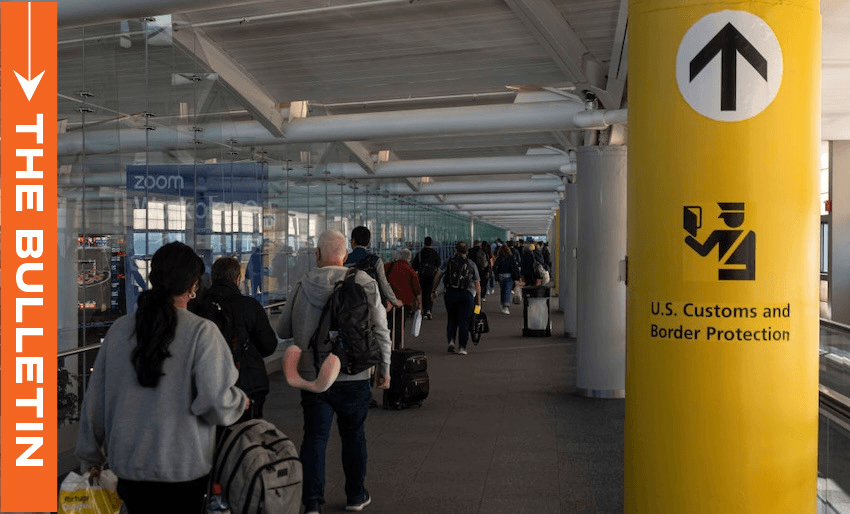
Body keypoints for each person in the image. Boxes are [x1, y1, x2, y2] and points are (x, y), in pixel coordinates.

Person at [76, 241, 249, 513]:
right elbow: (215, 404)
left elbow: (95, 400)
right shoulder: (202, 332)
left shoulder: (120, 330)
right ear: (194, 286)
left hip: (128, 468)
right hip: (183, 470)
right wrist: (239, 401)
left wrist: (90, 456)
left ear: (152, 278)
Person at [276, 229, 392, 514]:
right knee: (354, 434)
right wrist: (385, 368)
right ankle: (355, 495)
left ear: (317, 255)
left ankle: (313, 502)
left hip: (313, 375)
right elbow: (380, 330)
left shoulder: (303, 284)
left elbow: (283, 330)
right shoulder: (364, 282)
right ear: (345, 256)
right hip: (354, 373)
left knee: (315, 436)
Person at [190, 256, 279, 421]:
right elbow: (269, 346)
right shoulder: (249, 306)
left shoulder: (198, 306)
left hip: (208, 384)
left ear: (211, 278)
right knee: (248, 436)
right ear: (238, 279)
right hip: (248, 384)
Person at [431, 241, 481, 356]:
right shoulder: (471, 263)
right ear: (467, 251)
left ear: (455, 250)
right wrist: (478, 303)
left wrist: (433, 290)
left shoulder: (448, 262)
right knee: (464, 320)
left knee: (452, 318)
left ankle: (451, 341)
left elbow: (438, 275)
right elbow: (477, 285)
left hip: (450, 294)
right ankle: (462, 347)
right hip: (467, 295)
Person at [345, 225, 402, 312]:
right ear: (368, 242)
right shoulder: (375, 260)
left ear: (353, 241)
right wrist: (395, 301)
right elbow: (383, 284)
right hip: (371, 304)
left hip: (349, 303)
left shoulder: (345, 260)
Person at [384, 248, 422, 347]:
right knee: (399, 325)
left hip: (389, 302)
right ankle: (397, 345)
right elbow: (416, 289)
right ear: (409, 258)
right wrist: (419, 304)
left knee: (389, 324)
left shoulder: (390, 265)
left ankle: (388, 344)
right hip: (405, 303)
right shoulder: (410, 270)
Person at [410, 236, 441, 320]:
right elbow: (438, 264)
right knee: (430, 292)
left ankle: (423, 311)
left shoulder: (420, 254)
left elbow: (414, 265)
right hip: (431, 276)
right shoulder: (434, 253)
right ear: (431, 243)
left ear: (424, 243)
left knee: (423, 293)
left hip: (422, 275)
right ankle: (428, 310)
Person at [492, 243, 520, 314]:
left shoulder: (499, 258)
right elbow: (515, 267)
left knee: (503, 291)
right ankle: (506, 306)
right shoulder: (511, 257)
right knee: (507, 291)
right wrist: (517, 276)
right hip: (509, 276)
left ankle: (502, 304)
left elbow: (494, 267)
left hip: (501, 276)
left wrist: (496, 275)